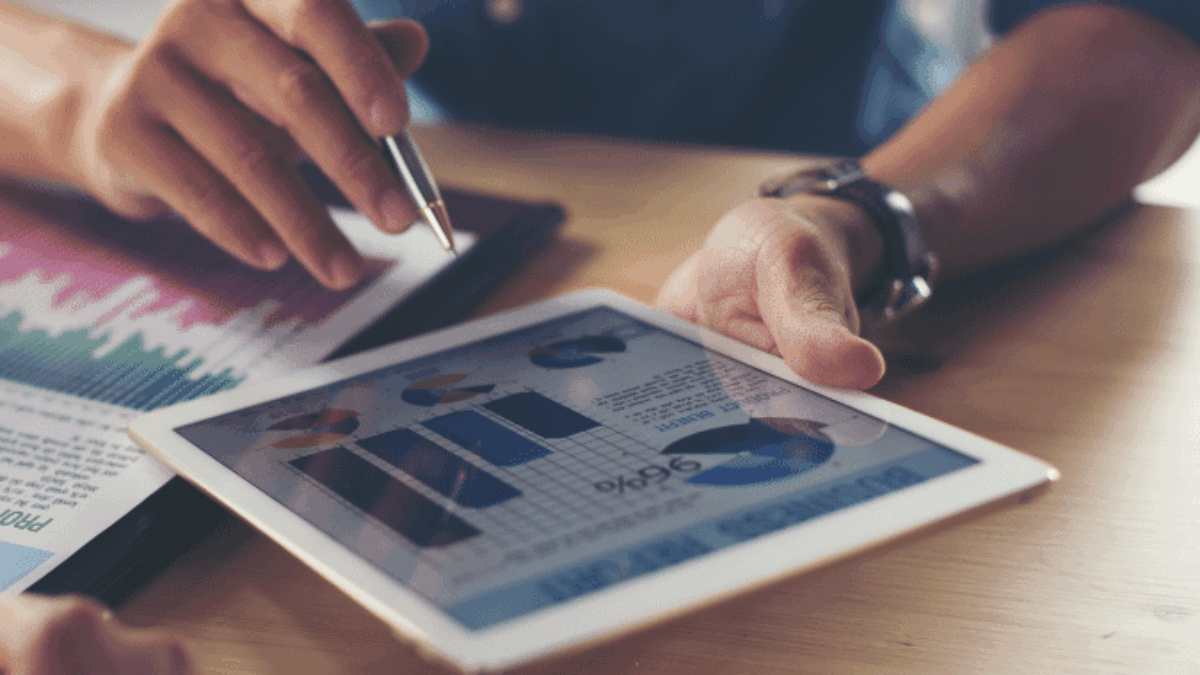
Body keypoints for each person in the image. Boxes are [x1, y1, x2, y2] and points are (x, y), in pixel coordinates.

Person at [0, 0, 1197, 670]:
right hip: (413, 232)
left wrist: (862, 214)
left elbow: (1145, 34)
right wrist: (78, 95)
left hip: (883, 200)